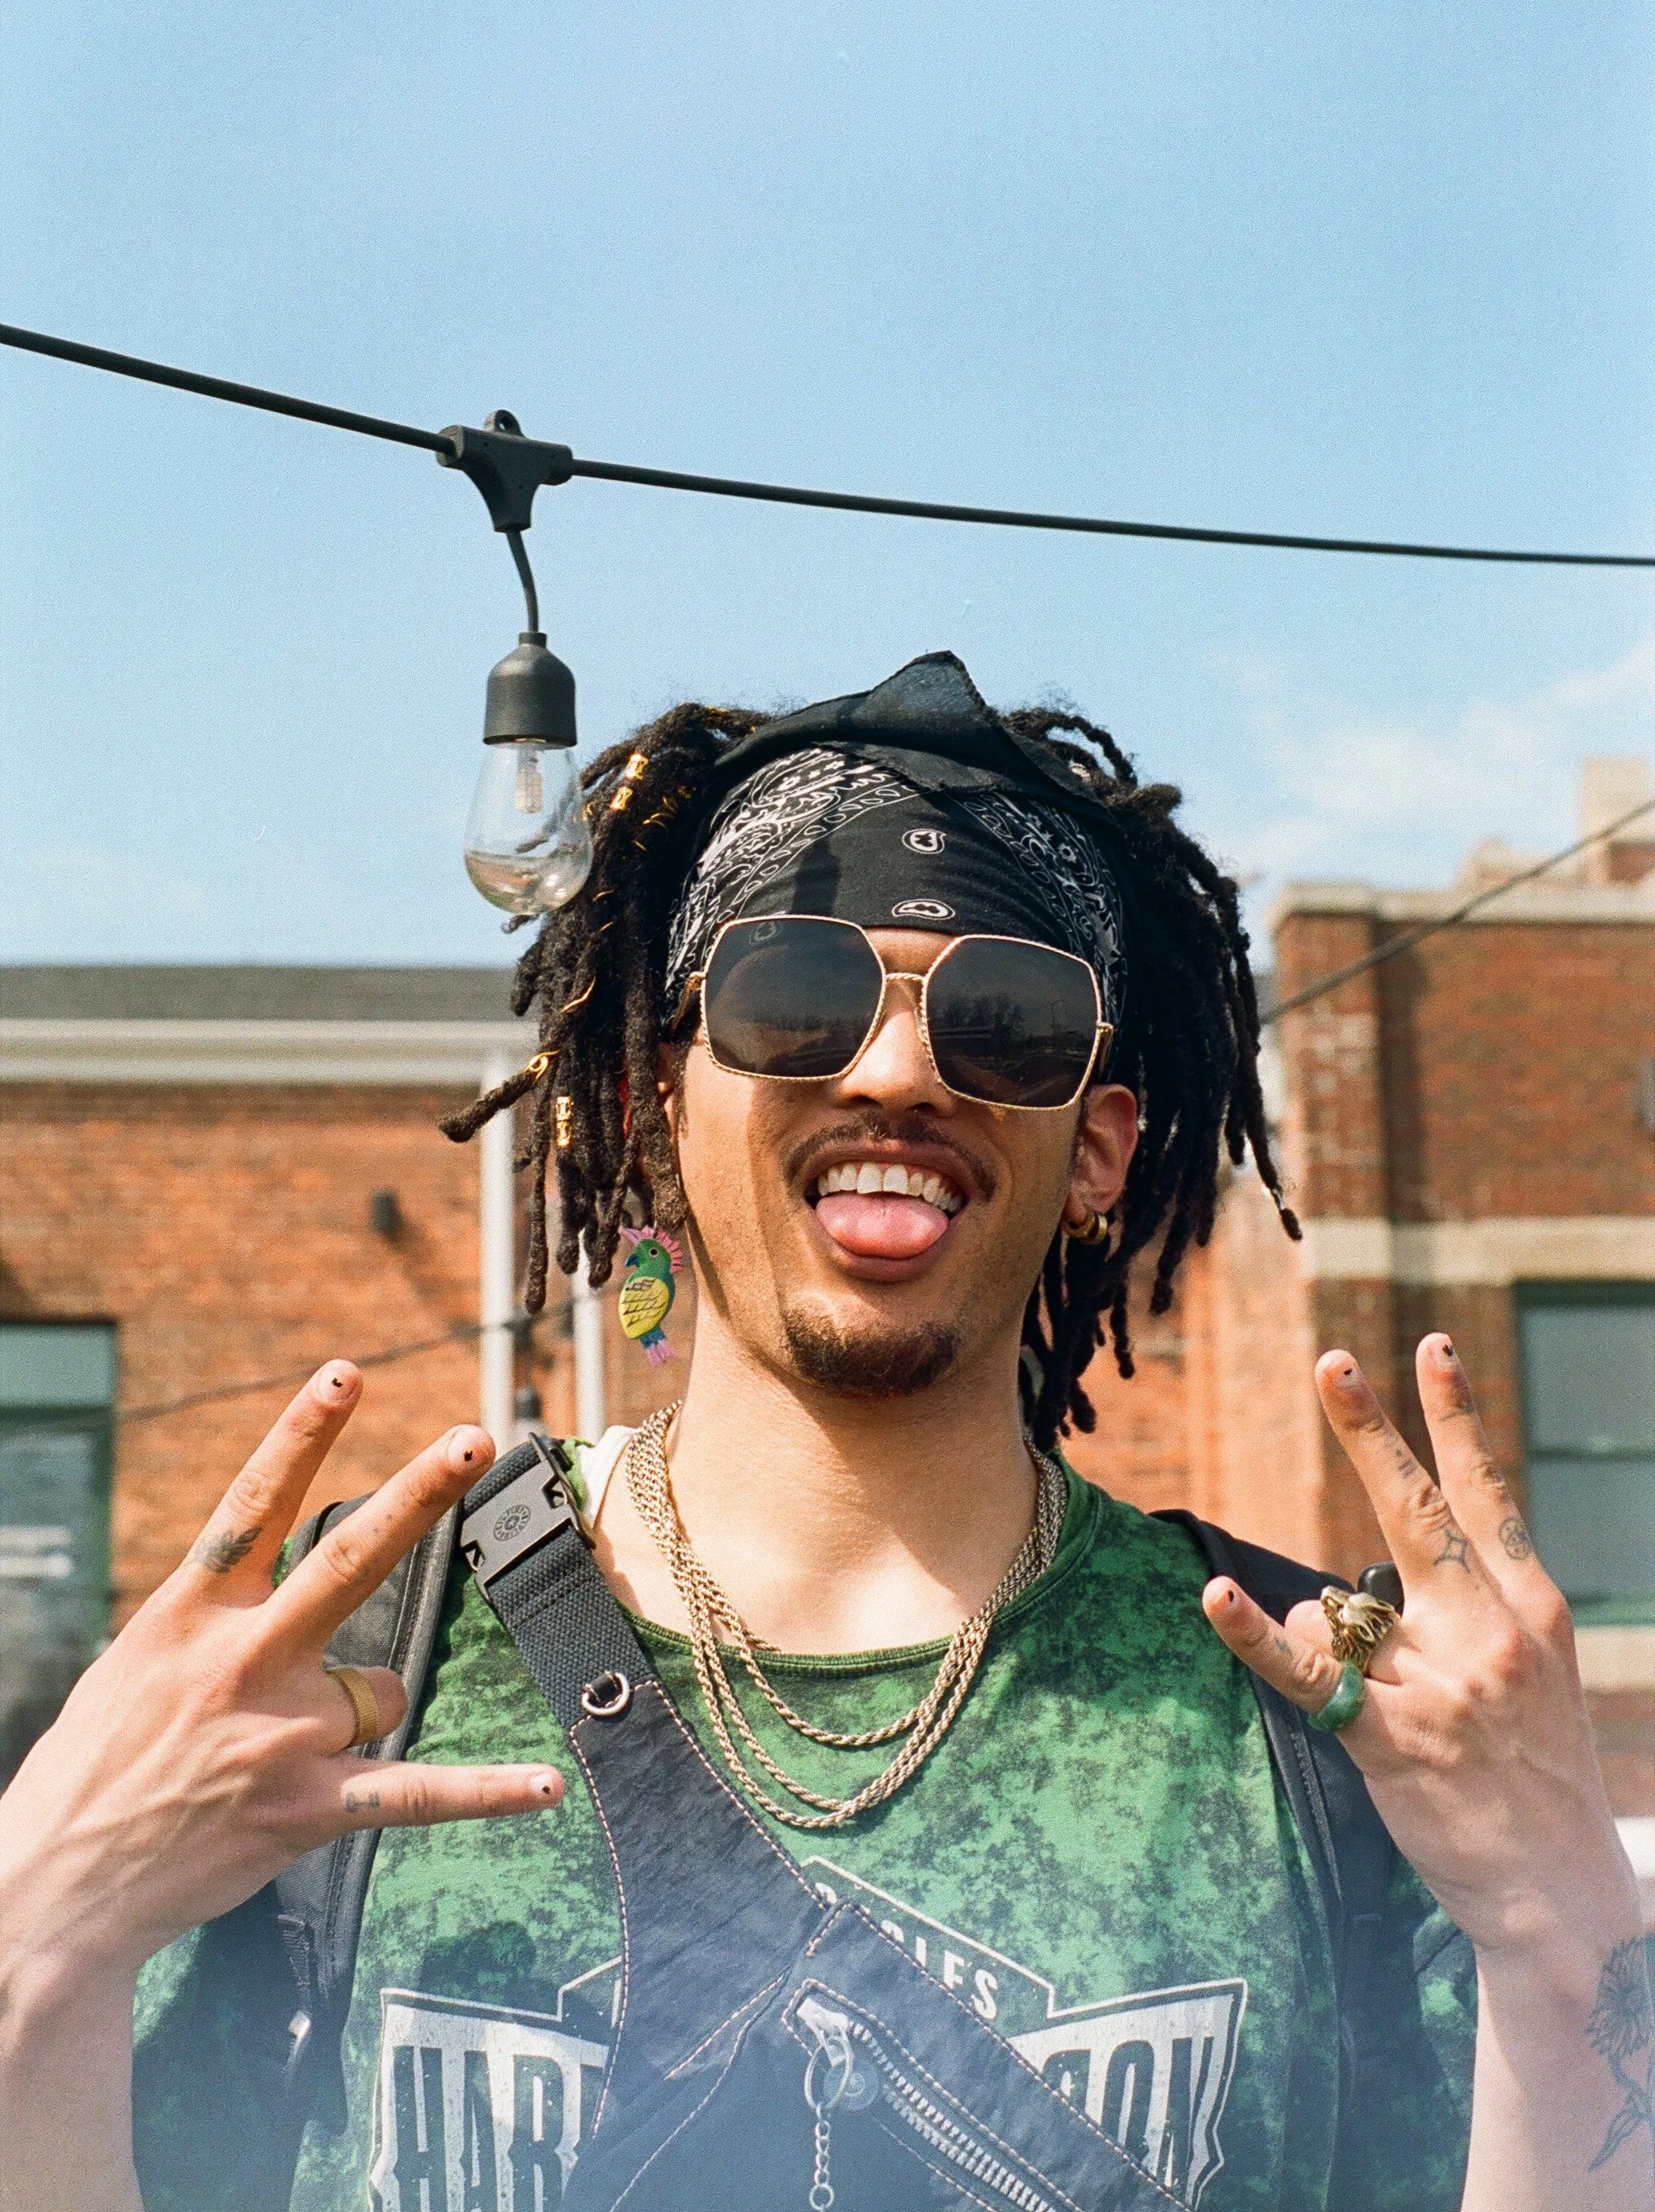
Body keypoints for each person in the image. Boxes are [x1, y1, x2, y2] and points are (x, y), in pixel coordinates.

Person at [0, 653, 1646, 2212]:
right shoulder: (346, 1657)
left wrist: (1566, 1925)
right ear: (653, 1102)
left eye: (1004, 1018)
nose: (896, 1066)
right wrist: (35, 1928)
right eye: (795, 995)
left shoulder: (1318, 1720)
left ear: (1096, 1151)